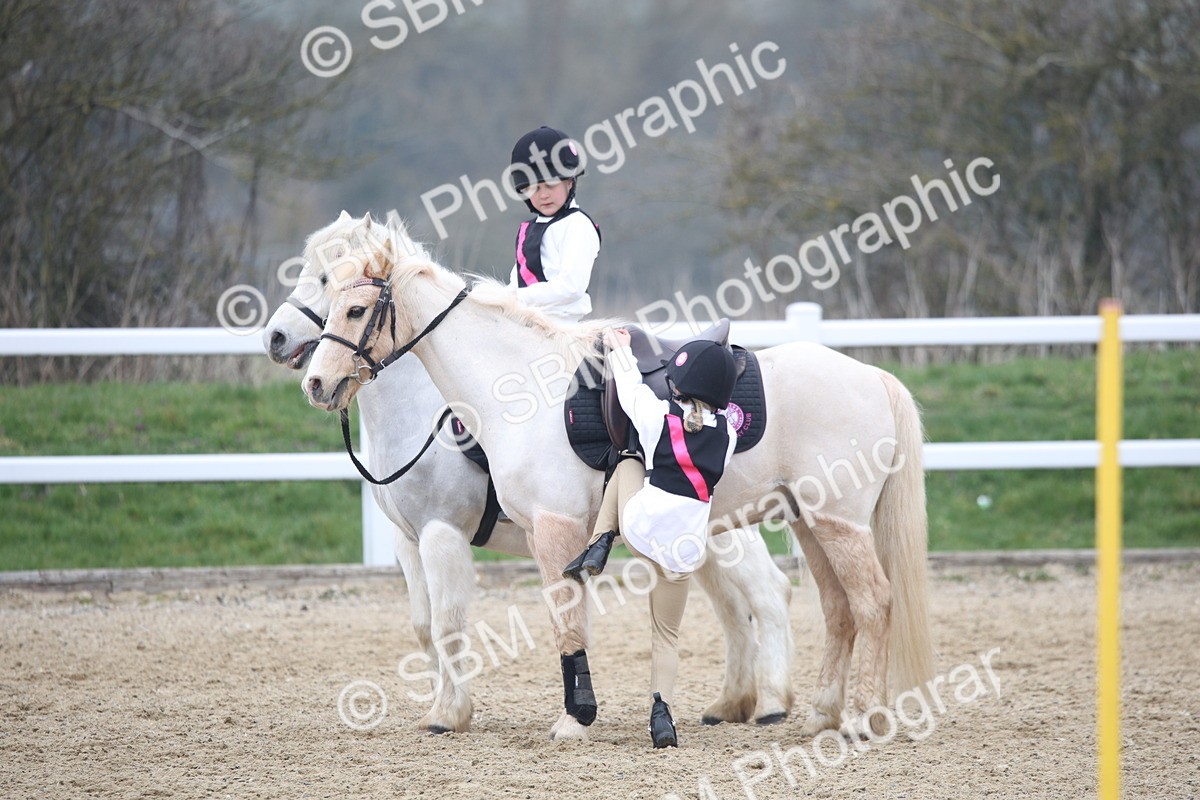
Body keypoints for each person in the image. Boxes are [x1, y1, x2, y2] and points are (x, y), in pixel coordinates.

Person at [563, 329, 739, 748]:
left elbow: (629, 389)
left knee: (627, 461)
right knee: (666, 636)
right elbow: (721, 420)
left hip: (641, 529)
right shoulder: (728, 435)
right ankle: (662, 715)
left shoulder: (659, 418)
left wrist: (622, 350)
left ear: (679, 386)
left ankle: (600, 541)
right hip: (684, 551)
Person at [506, 126, 601, 323]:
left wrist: (519, 297)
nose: (543, 195)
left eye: (550, 185)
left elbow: (571, 287)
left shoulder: (577, 225)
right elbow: (516, 283)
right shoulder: (528, 229)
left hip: (563, 328)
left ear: (569, 182)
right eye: (534, 188)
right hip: (526, 323)